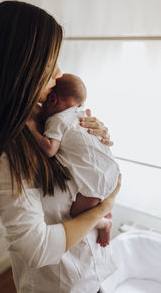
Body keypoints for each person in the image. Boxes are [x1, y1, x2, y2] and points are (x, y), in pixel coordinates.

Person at [0, 1, 121, 293]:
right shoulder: (6, 146)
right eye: (50, 61)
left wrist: (94, 141)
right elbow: (36, 248)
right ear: (21, 66)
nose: (59, 72)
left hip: (92, 272)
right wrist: (103, 209)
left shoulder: (48, 116)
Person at [27, 73, 120, 247]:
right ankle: (103, 211)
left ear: (52, 100)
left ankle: (104, 223)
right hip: (111, 172)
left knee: (79, 215)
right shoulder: (81, 115)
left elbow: (49, 149)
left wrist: (32, 130)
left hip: (93, 183)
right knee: (95, 205)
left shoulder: (56, 120)